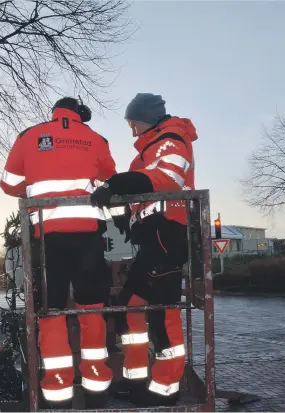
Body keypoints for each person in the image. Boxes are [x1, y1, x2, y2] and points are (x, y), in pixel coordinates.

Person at [0, 97, 116, 406]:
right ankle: (96, 388)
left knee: (51, 313)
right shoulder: (96, 139)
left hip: (48, 240)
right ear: (80, 115)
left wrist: (37, 182)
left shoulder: (29, 136)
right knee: (92, 310)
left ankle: (57, 393)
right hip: (88, 239)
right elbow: (110, 179)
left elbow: (8, 184)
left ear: (53, 113)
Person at [91, 93, 198, 407]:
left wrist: (118, 184)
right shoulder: (148, 149)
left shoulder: (170, 139)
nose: (131, 130)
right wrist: (126, 212)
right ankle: (137, 381)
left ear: (144, 119)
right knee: (132, 307)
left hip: (167, 234)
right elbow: (145, 185)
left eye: (132, 123)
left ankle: (167, 386)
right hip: (151, 238)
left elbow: (169, 178)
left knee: (163, 314)